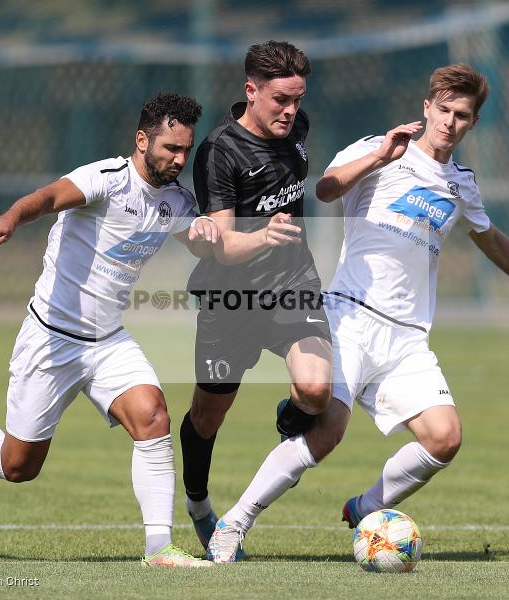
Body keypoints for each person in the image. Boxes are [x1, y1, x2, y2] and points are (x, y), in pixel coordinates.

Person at [0, 92, 219, 568]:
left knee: (153, 415)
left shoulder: (176, 200)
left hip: (109, 340)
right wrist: (9, 219)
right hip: (51, 339)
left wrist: (211, 234)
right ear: (142, 140)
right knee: (18, 466)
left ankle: (159, 548)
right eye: (170, 148)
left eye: (186, 150)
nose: (179, 159)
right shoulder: (108, 179)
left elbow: (199, 240)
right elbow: (48, 198)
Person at [314, 63, 509, 527]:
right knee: (325, 427)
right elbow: (325, 190)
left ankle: (366, 509)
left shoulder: (461, 185)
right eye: (444, 110)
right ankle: (243, 511)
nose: (450, 122)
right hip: (349, 315)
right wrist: (378, 158)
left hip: (407, 336)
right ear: (427, 108)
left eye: (462, 115)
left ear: (473, 122)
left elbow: (491, 240)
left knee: (446, 437)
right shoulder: (382, 150)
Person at [179, 41, 336, 563]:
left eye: (297, 99)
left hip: (293, 283)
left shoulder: (297, 130)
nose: (290, 111)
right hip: (231, 300)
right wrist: (263, 236)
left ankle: (291, 416)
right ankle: (199, 504)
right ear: (251, 91)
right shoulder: (219, 151)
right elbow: (221, 247)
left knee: (315, 389)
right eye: (279, 100)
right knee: (208, 416)